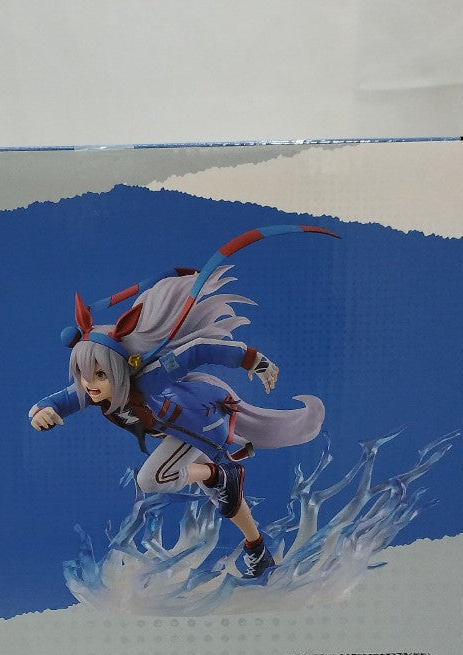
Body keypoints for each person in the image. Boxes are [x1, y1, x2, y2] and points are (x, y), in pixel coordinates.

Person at [29, 228, 333, 578]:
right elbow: (58, 401)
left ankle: (220, 472)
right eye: (84, 375)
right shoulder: (92, 389)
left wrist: (252, 359)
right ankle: (258, 550)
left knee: (153, 479)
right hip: (181, 429)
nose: (90, 385)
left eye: (100, 375)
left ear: (118, 369)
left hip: (200, 421)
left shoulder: (151, 377)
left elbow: (198, 350)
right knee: (224, 498)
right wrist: (41, 413)